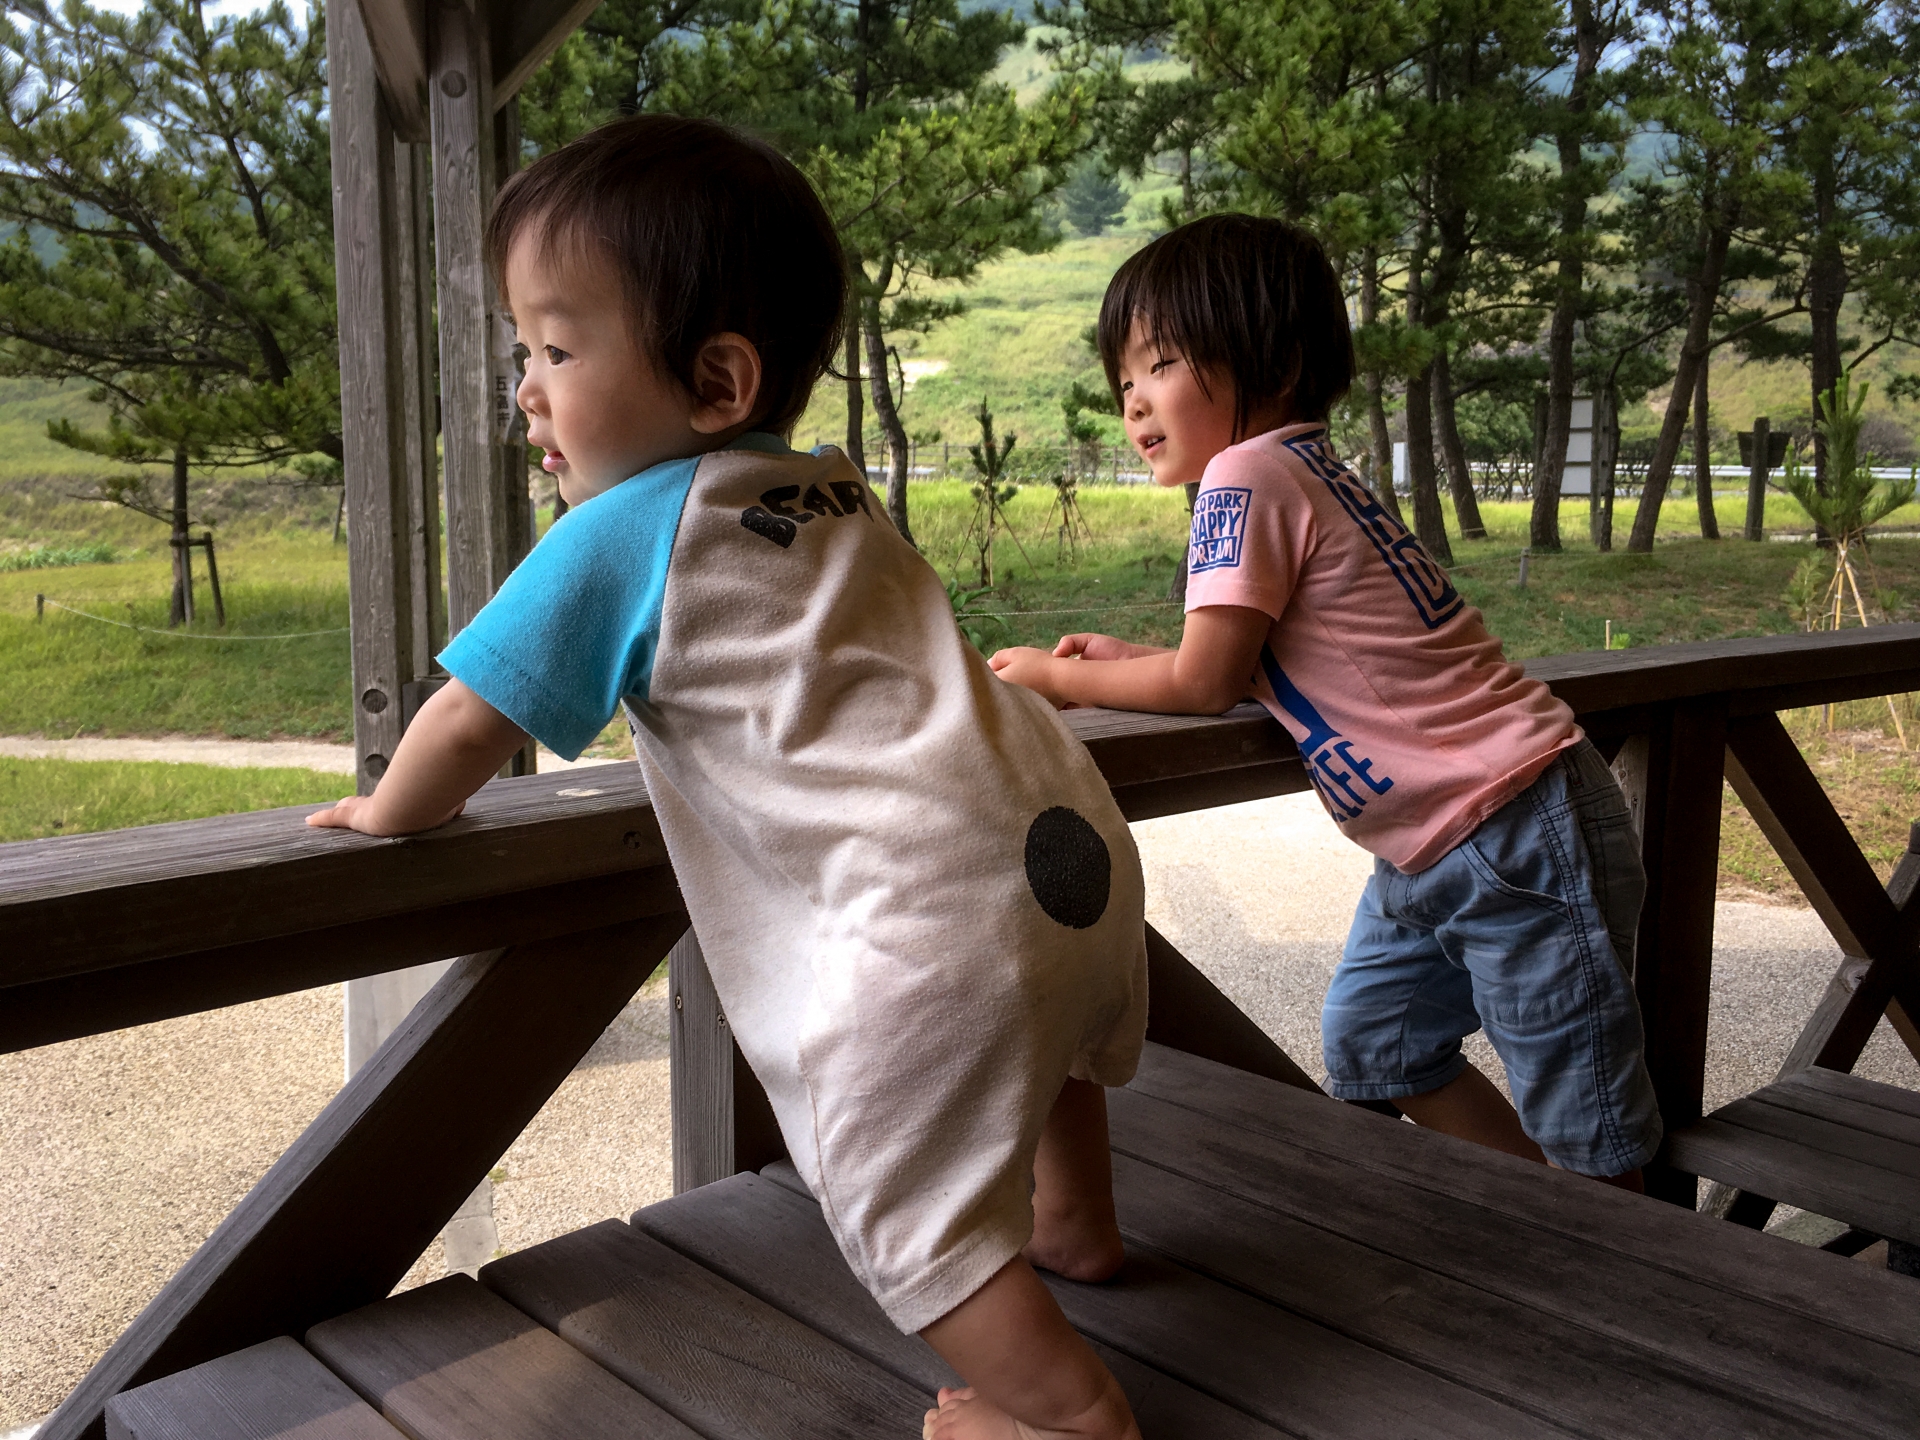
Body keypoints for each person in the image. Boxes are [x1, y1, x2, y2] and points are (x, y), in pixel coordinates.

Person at [308, 115, 1148, 1440]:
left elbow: (470, 718)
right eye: (525, 351)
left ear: (715, 379)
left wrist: (384, 811)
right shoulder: (830, 493)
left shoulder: (620, 536)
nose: (526, 387)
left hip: (928, 907)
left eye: (559, 349)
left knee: (892, 1182)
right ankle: (1078, 1227)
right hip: (1063, 848)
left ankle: (1066, 1410)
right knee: (1041, 1044)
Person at [990, 214, 1661, 1191]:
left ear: (1279, 360)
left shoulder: (1246, 475)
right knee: (1377, 1046)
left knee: (1589, 1126)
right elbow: (1251, 656)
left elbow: (1205, 681)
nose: (1134, 401)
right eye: (1123, 378)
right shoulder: (1307, 469)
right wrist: (1140, 657)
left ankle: (1615, 1287)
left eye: (1163, 363)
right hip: (1449, 834)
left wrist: (1054, 678)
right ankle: (1545, 1224)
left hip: (1510, 826)